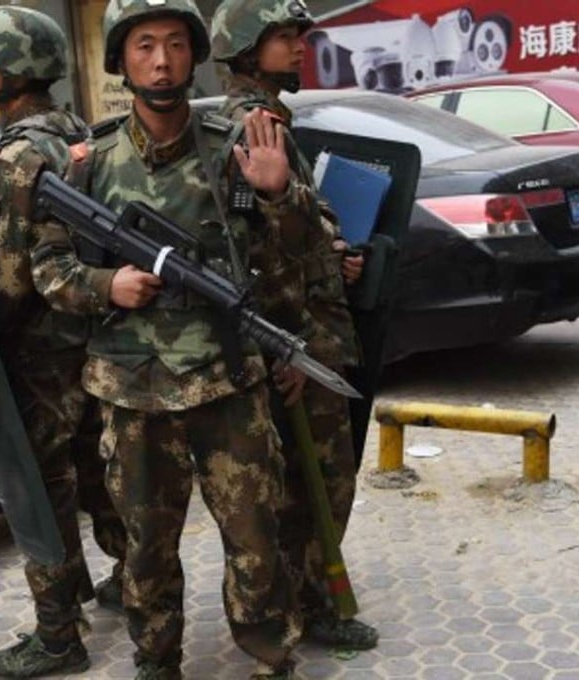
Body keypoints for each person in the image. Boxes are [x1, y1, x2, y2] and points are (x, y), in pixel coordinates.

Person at [31, 1, 331, 677]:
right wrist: (106, 285)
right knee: (146, 547)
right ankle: (157, 661)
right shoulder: (89, 162)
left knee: (256, 534)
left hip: (228, 380)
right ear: (121, 59)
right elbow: (48, 268)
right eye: (144, 46)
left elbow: (298, 257)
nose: (161, 62)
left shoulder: (235, 145)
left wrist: (279, 195)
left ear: (195, 54)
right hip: (132, 389)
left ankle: (269, 653)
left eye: (174, 44)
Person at [0, 7, 125, 678]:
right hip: (96, 344)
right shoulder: (80, 136)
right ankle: (135, 581)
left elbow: (7, 279)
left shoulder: (19, 155)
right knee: (102, 471)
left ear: (14, 68)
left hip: (40, 357)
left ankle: (58, 635)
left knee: (41, 488)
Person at [211, 0, 378, 652]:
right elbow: (250, 253)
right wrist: (288, 346)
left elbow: (295, 225)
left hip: (312, 330)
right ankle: (307, 605)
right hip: (297, 337)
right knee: (315, 482)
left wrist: (332, 250)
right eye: (285, 37)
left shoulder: (271, 121)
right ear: (247, 48)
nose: (300, 47)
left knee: (320, 480)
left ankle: (306, 598)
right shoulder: (250, 130)